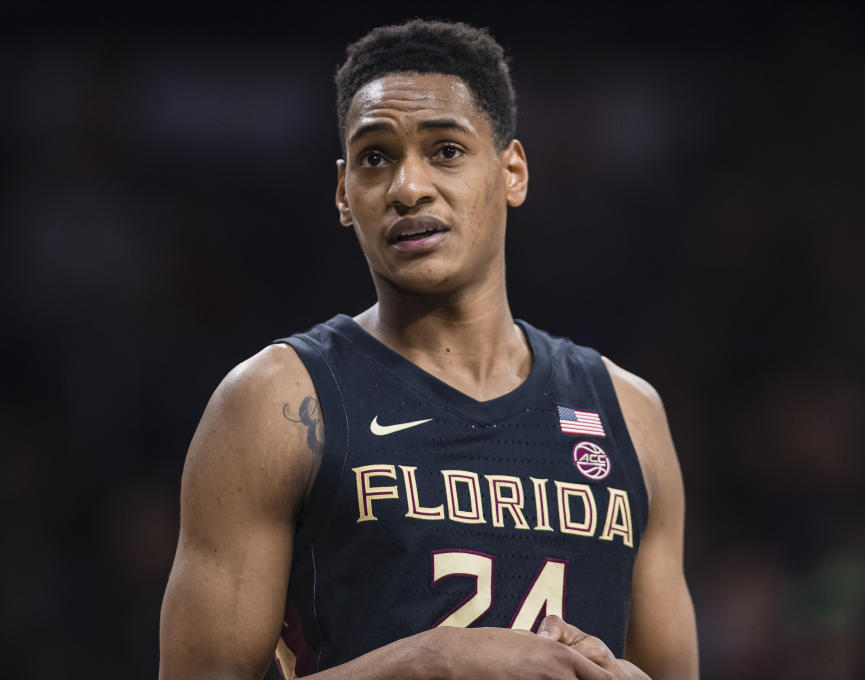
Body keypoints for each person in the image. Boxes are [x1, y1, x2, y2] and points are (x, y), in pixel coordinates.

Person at [159, 19, 698, 680]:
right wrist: (427, 661)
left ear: (512, 172)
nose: (407, 187)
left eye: (445, 150)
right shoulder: (275, 403)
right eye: (375, 157)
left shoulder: (629, 412)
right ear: (343, 194)